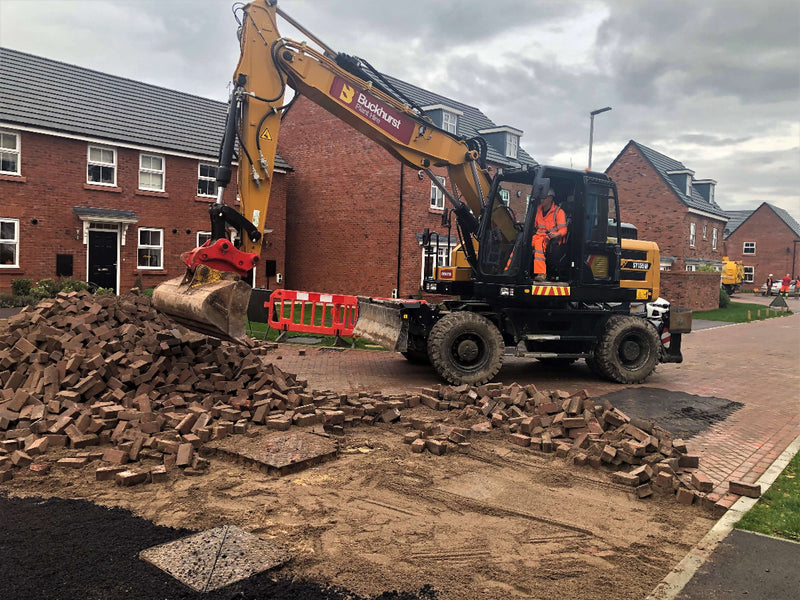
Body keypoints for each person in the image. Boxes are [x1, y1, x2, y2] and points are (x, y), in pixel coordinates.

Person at [531, 188, 567, 282]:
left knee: (539, 243)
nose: (541, 200)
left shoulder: (559, 212)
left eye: (544, 198)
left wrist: (556, 235)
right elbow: (534, 225)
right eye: (541, 198)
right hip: (538, 235)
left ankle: (541, 273)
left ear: (550, 198)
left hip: (552, 239)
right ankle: (509, 268)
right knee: (523, 241)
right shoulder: (538, 210)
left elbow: (563, 230)